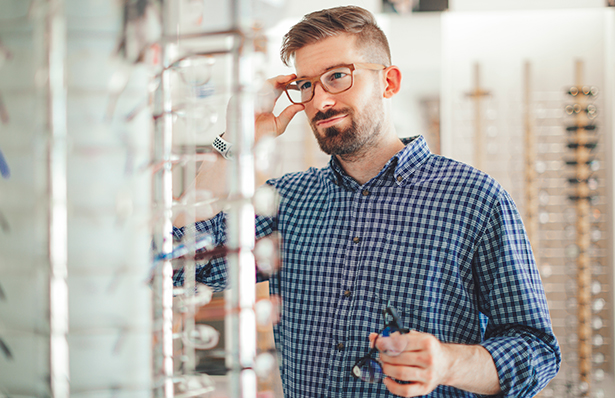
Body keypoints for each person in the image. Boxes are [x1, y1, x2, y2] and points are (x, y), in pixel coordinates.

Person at [173, 6, 561, 397]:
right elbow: (178, 262)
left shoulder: (475, 198)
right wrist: (234, 142)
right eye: (306, 85)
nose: (320, 101)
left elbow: (536, 351)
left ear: (389, 82)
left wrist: (446, 363)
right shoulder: (285, 200)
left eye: (338, 76)